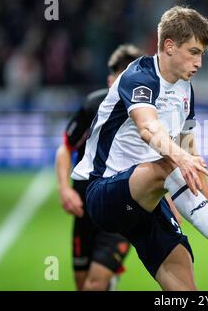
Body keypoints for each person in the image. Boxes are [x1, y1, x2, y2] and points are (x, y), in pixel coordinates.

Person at [72, 6, 208, 291]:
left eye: (202, 54)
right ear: (169, 46)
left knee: (185, 284)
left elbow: (192, 154)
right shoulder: (139, 76)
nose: (199, 62)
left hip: (148, 199)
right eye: (194, 52)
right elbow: (148, 128)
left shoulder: (185, 89)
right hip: (104, 194)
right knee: (170, 163)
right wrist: (179, 157)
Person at [56, 44, 143, 291]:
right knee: (82, 285)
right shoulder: (93, 106)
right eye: (121, 77)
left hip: (120, 210)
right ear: (110, 80)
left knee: (94, 285)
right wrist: (65, 190)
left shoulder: (148, 115)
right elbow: (66, 148)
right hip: (85, 208)